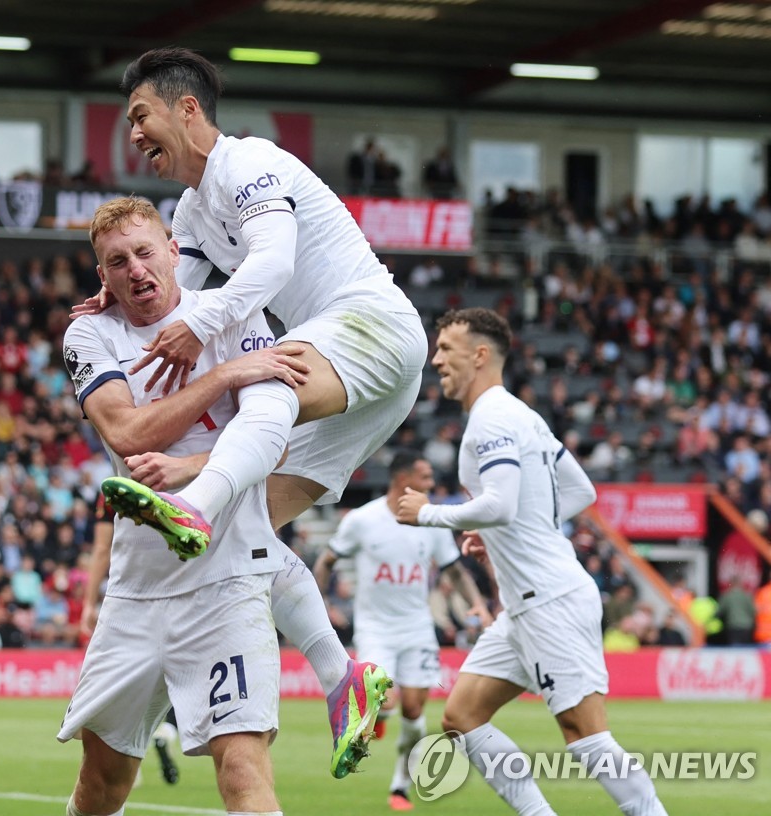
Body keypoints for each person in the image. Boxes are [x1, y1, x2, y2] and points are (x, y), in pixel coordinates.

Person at [58, 197, 387, 816]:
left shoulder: (236, 315)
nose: (135, 269)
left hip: (227, 587)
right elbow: (127, 435)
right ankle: (339, 672)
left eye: (145, 252)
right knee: (101, 784)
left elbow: (269, 434)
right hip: (138, 588)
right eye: (116, 261)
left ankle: (340, 673)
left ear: (175, 253)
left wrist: (189, 466)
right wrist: (224, 376)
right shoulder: (89, 331)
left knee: (243, 771)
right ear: (101, 277)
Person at [80, 47, 426, 570]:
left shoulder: (248, 163)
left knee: (259, 379)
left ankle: (191, 499)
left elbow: (273, 263)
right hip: (357, 367)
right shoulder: (193, 210)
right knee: (244, 532)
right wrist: (128, 287)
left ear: (187, 110)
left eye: (140, 116)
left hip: (371, 323)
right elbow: (180, 290)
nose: (134, 134)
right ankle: (338, 657)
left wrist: (199, 325)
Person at [396, 308, 667, 816]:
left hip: (549, 601)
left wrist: (431, 514)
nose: (436, 360)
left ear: (479, 355)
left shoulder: (492, 419)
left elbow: (500, 503)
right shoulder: (523, 414)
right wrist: (507, 531)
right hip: (527, 607)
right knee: (462, 715)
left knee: (584, 733)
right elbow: (579, 491)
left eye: (446, 350)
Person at [313, 450, 489, 812]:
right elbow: (327, 560)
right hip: (375, 628)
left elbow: (454, 570)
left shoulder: (431, 521)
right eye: (425, 478)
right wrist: (320, 608)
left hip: (417, 629)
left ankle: (400, 786)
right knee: (387, 699)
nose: (431, 485)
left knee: (412, 710)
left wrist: (478, 604)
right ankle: (379, 717)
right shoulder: (363, 520)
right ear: (402, 479)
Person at [82, 491, 179, 785]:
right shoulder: (187, 471)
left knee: (118, 683)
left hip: (130, 597)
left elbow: (102, 549)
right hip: (184, 591)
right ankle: (167, 731)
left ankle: (118, 759)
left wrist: (88, 603)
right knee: (180, 681)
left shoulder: (115, 487)